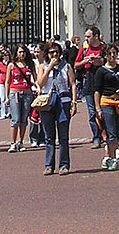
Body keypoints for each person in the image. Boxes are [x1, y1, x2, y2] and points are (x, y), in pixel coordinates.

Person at [36, 40, 76, 174]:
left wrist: (74, 102)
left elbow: (73, 84)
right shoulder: (42, 66)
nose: (54, 55)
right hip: (48, 101)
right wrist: (49, 68)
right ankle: (49, 165)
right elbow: (40, 83)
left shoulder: (67, 66)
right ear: (47, 54)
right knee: (49, 135)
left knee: (63, 135)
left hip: (63, 100)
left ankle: (64, 165)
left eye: (57, 52)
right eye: (51, 52)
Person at [93, 44, 119, 170]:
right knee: (111, 132)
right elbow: (97, 91)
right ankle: (113, 159)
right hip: (106, 102)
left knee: (117, 131)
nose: (112, 56)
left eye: (114, 53)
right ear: (105, 55)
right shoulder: (101, 71)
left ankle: (107, 156)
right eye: (109, 54)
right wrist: (98, 108)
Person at [74, 26, 107, 148]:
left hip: (102, 79)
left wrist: (100, 61)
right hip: (88, 79)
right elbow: (76, 65)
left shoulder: (104, 48)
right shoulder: (84, 49)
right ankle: (96, 136)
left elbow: (111, 61)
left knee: (104, 109)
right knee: (92, 111)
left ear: (96, 36)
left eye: (88, 36)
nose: (86, 39)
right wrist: (85, 61)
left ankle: (107, 134)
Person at [6, 43, 35, 152]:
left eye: (23, 52)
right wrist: (6, 97)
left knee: (24, 119)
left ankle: (20, 141)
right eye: (20, 52)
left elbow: (35, 78)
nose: (22, 54)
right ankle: (12, 143)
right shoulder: (12, 65)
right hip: (15, 93)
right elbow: (7, 81)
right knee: (15, 119)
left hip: (27, 92)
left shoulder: (29, 65)